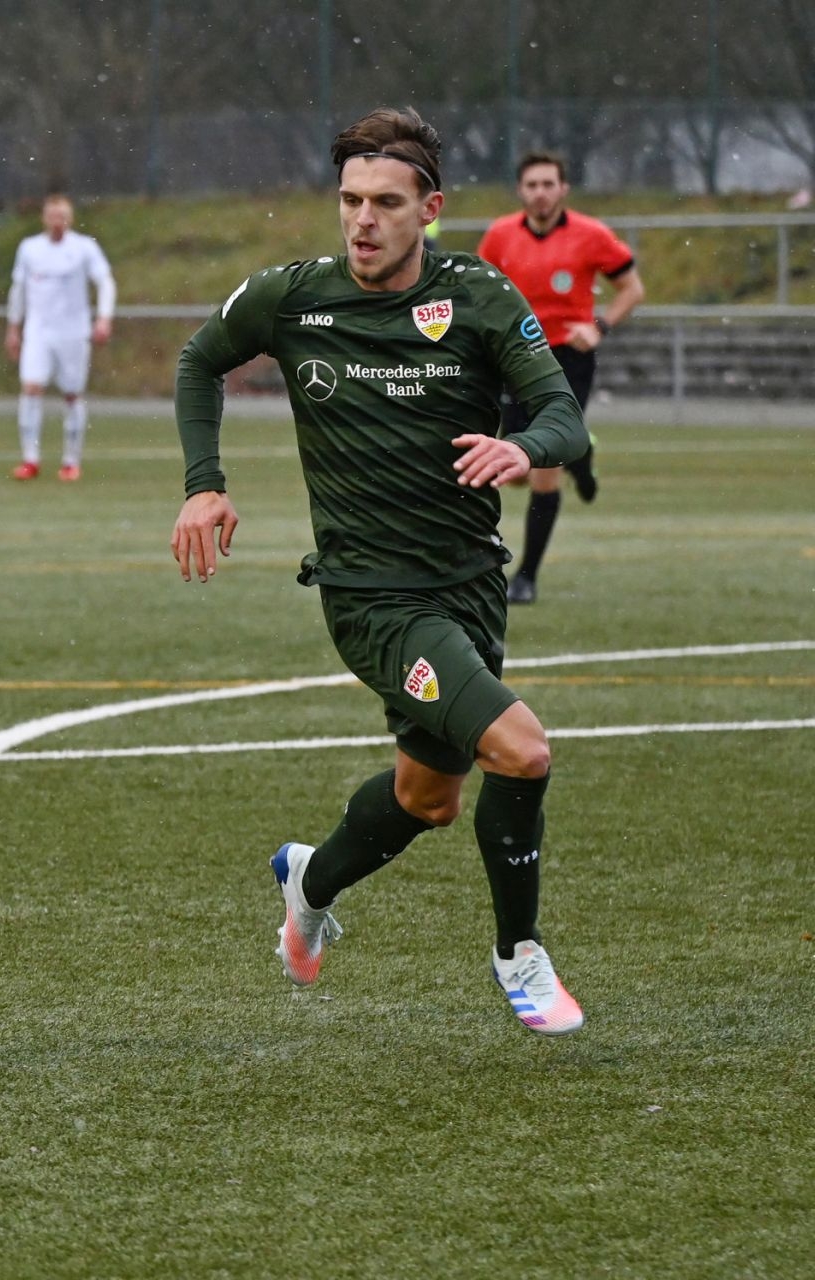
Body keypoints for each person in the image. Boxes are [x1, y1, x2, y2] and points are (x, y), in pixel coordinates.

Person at [170, 107, 591, 1036]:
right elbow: (201, 360)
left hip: (470, 583)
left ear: (429, 208)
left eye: (386, 203)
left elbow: (566, 416)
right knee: (522, 751)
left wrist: (522, 447)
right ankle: (518, 955)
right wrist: (205, 485)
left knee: (426, 800)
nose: (363, 220)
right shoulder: (293, 297)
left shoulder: (477, 295)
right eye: (350, 200)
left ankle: (307, 882)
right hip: (373, 600)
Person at [477, 150, 645, 604]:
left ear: (563, 189)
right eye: (532, 185)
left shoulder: (592, 235)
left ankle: (526, 578)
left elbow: (632, 287)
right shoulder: (499, 237)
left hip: (567, 360)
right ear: (520, 190)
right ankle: (582, 450)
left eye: (548, 184)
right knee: (511, 469)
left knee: (543, 466)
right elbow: (479, 295)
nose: (540, 193)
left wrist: (600, 326)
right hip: (515, 360)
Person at [3, 193, 115, 481]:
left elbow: (105, 281)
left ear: (70, 219)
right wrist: (13, 328)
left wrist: (103, 317)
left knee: (72, 394)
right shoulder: (29, 248)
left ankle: (70, 461)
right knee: (30, 388)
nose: (57, 222)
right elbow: (18, 291)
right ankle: (30, 459)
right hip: (38, 332)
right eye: (52, 216)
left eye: (62, 216)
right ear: (44, 218)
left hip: (73, 333)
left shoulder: (83, 248)